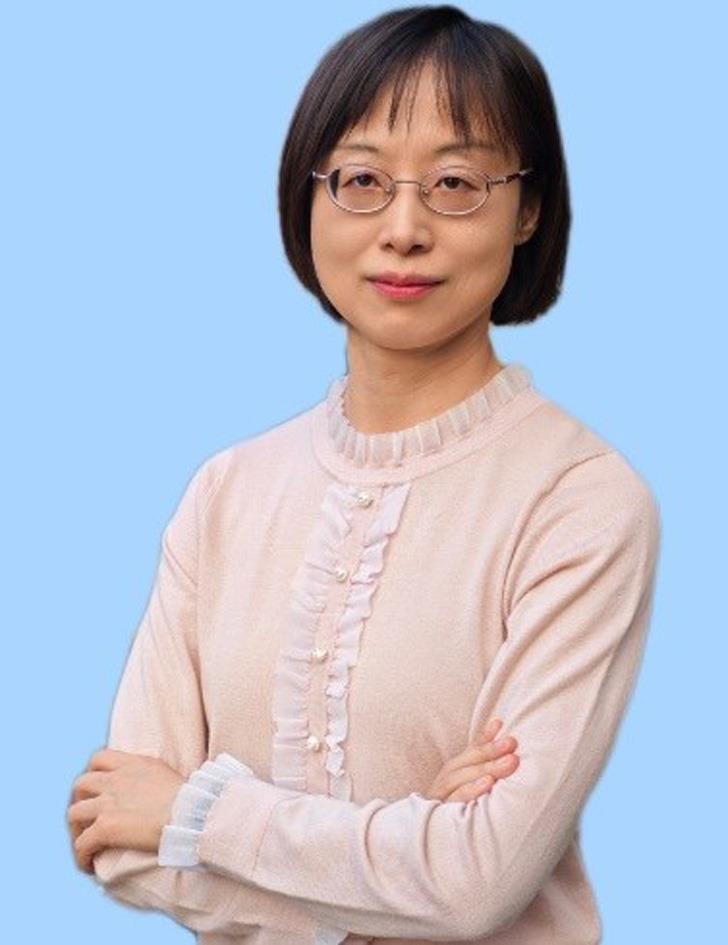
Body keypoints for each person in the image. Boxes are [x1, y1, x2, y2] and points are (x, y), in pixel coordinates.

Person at [66, 5, 661, 944]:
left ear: (529, 208)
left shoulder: (580, 501)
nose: (404, 228)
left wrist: (196, 813)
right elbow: (118, 836)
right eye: (360, 181)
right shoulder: (226, 492)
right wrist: (408, 861)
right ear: (305, 197)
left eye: (456, 183)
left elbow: (476, 882)